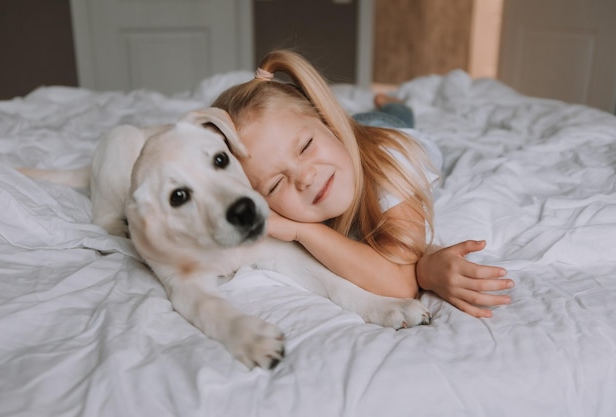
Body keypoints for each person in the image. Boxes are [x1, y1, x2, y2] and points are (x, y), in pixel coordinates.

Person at [212, 49, 513, 318]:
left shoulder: (390, 166)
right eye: (275, 185)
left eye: (305, 147)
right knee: (364, 120)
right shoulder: (316, 165)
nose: (305, 177)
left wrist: (303, 230)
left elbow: (400, 283)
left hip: (386, 134)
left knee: (395, 118)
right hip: (351, 133)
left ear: (328, 121)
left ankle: (395, 106)